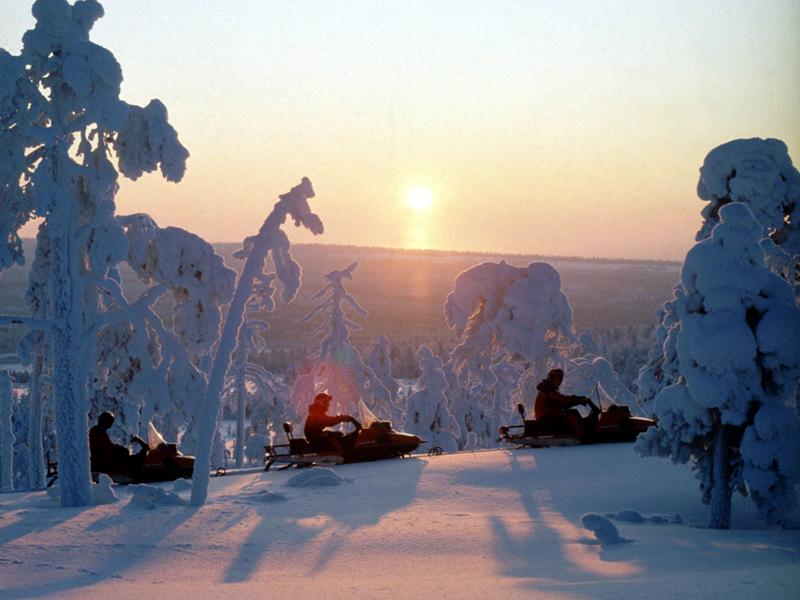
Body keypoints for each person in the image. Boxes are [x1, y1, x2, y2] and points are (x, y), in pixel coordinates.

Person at [534, 369, 593, 438]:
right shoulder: (546, 389)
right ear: (551, 378)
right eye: (557, 378)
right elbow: (561, 400)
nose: (559, 381)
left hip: (549, 415)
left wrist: (577, 401)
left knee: (573, 412)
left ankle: (583, 432)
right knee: (572, 415)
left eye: (560, 379)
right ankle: (582, 437)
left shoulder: (549, 388)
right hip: (545, 418)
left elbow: (560, 404)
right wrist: (577, 399)